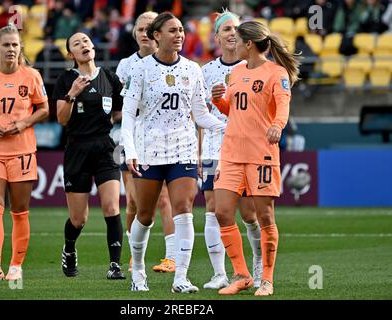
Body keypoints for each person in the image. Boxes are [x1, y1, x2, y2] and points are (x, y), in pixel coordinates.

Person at [121, 12, 226, 293]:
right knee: (144, 215)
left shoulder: (192, 69)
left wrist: (229, 126)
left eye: (181, 30)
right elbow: (128, 116)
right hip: (149, 150)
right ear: (156, 36)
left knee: (184, 210)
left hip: (183, 149)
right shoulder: (140, 70)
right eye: (172, 31)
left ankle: (181, 277)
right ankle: (139, 271)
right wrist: (129, 150)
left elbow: (200, 114)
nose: (179, 35)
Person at [211, 20, 300, 296]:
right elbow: (235, 110)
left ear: (248, 44)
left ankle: (267, 280)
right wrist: (218, 101)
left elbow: (283, 106)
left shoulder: (277, 73)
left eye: (236, 40)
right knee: (222, 211)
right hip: (231, 153)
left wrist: (277, 125)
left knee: (264, 216)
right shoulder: (236, 73)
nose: (233, 44)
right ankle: (242, 275)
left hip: (261, 153)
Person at [0, 24, 49, 281]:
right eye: (6, 45)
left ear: (21, 48)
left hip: (22, 151)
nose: (11, 49)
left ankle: (16, 266)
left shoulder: (32, 76)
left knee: (19, 210)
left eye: (15, 45)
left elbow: (44, 108)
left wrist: (24, 123)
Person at [53, 32, 125, 280]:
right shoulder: (65, 79)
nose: (83, 45)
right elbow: (62, 119)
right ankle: (69, 248)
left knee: (112, 206)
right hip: (77, 149)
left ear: (93, 46)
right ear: (71, 55)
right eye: (76, 43)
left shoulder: (109, 78)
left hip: (106, 147)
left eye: (86, 41)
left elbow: (120, 110)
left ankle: (115, 266)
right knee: (78, 218)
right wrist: (72, 93)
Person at [199, 9, 262, 290]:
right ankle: (220, 273)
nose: (232, 33)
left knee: (249, 213)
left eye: (236, 28)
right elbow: (199, 115)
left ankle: (259, 268)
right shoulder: (206, 71)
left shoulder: (255, 66)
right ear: (217, 37)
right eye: (226, 29)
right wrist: (199, 153)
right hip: (214, 147)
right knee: (213, 209)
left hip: (246, 147)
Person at [116, 11, 175, 274]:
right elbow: (123, 107)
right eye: (140, 29)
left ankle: (172, 256)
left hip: (163, 140)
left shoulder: (174, 64)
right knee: (133, 202)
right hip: (132, 139)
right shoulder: (126, 66)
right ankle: (134, 255)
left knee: (164, 199)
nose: (144, 33)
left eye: (148, 28)